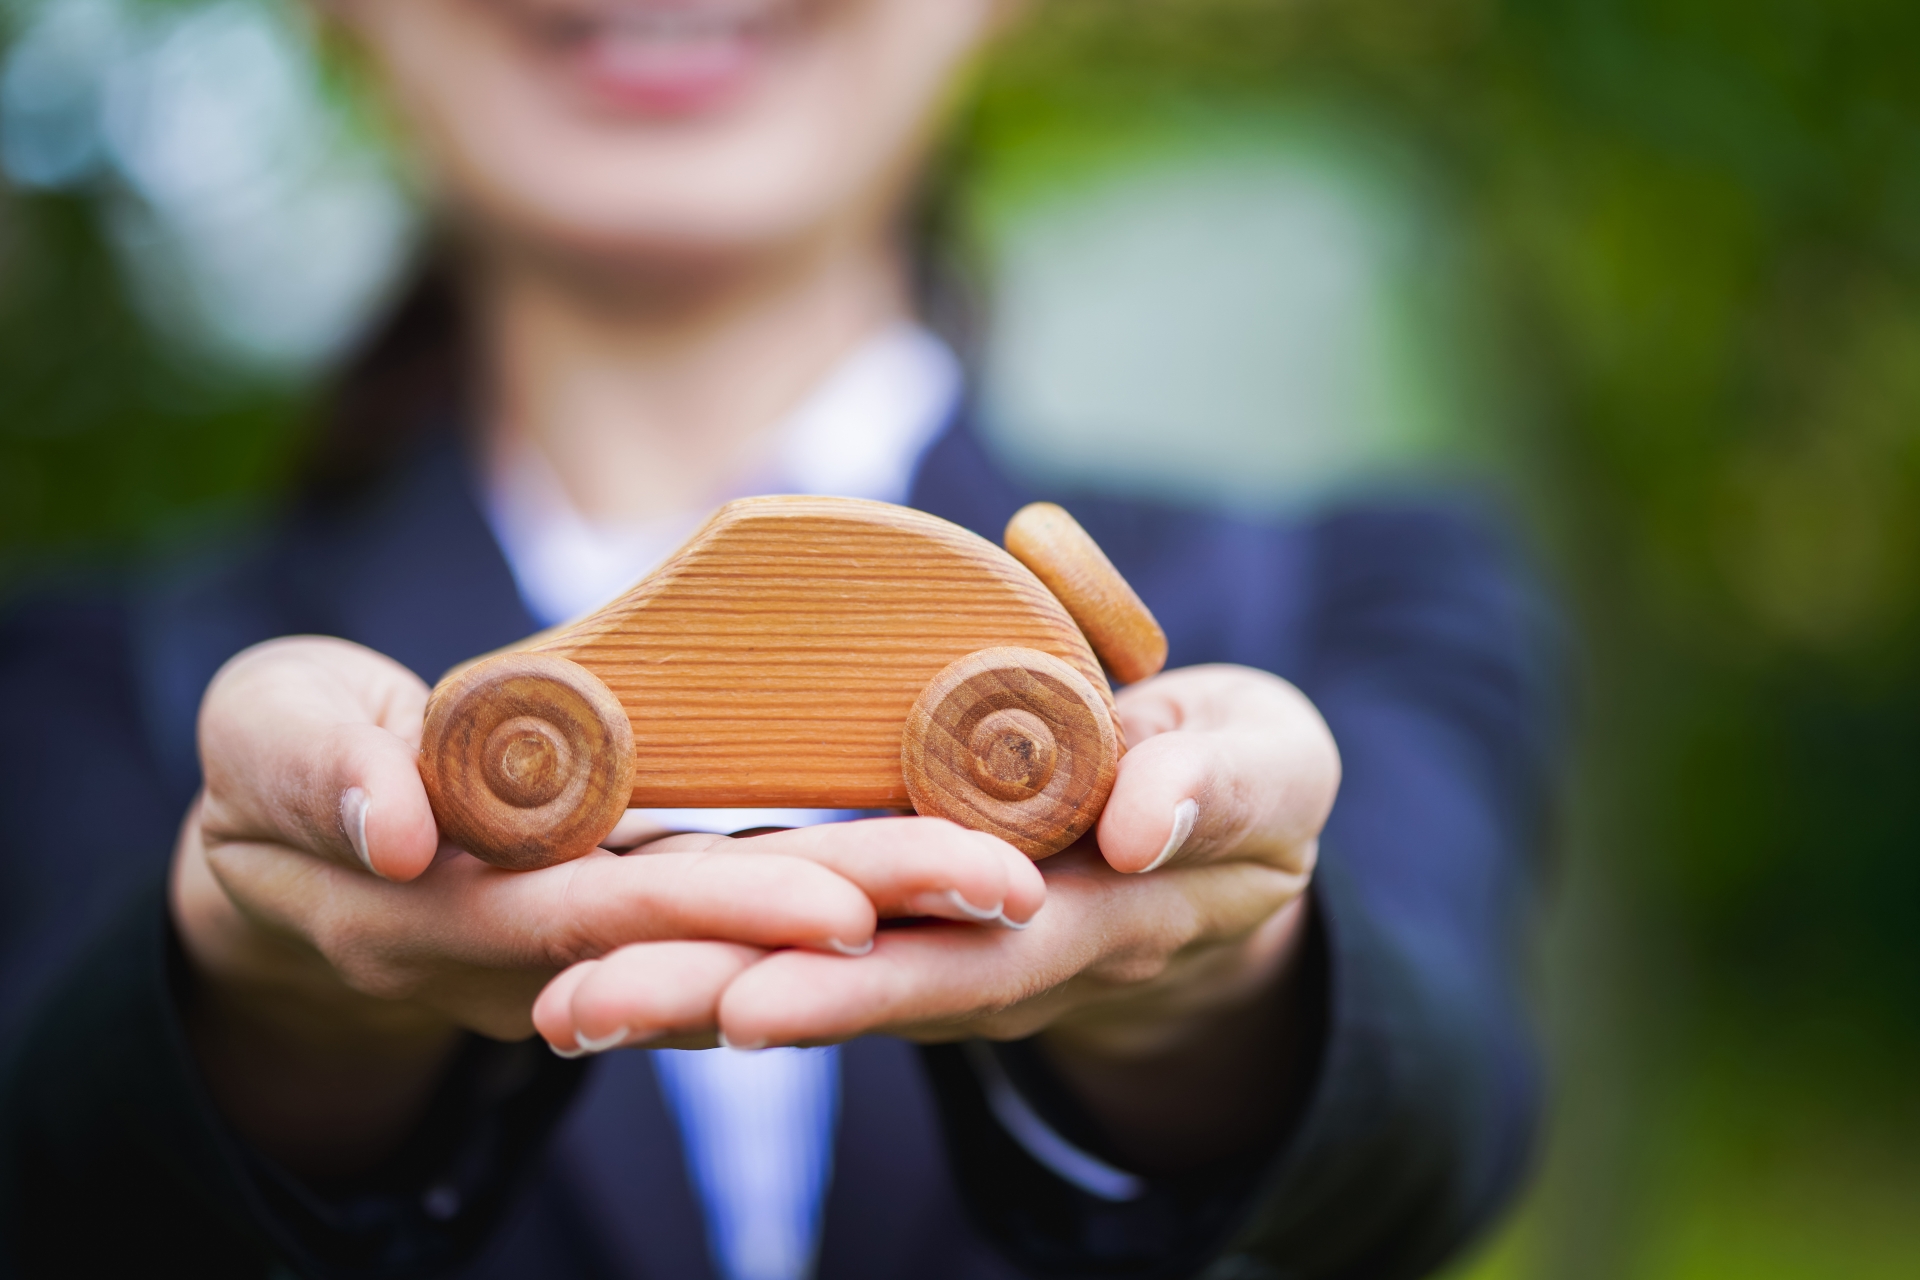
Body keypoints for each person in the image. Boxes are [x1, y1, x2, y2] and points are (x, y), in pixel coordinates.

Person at [0, 1, 1556, 1277]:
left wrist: (1217, 997)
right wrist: (262, 1012)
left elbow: (1439, 1134)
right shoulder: (73, 675)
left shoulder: (1357, 587)